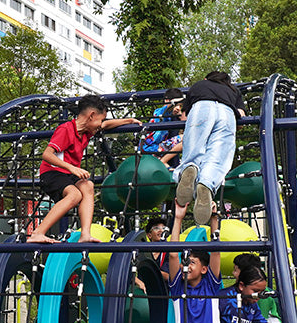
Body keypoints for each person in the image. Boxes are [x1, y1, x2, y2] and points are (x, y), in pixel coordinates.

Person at [29, 96, 139, 244]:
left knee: (88, 186)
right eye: (100, 119)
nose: (100, 124)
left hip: (68, 174)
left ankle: (85, 234)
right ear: (91, 115)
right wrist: (72, 168)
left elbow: (105, 125)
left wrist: (129, 121)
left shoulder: (87, 131)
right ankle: (38, 233)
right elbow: (47, 154)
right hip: (52, 172)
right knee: (74, 195)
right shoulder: (66, 129)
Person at [174, 71, 246, 226]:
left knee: (194, 149)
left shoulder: (198, 85)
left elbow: (185, 116)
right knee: (218, 156)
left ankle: (190, 167)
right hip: (227, 113)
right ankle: (207, 182)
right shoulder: (233, 90)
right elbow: (241, 115)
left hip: (201, 108)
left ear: (206, 78)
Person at [140, 88, 185, 166]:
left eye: (180, 106)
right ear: (167, 100)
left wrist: (179, 111)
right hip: (151, 148)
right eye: (176, 104)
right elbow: (167, 107)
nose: (178, 108)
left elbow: (183, 118)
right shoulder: (162, 112)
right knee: (184, 137)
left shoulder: (169, 117)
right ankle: (163, 161)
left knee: (170, 170)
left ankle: (165, 164)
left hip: (154, 150)